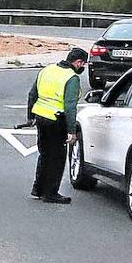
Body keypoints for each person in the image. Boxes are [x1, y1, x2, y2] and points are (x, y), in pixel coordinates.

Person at [27, 47, 88, 204]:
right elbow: (70, 106)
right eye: (83, 64)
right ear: (78, 62)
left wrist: (30, 117)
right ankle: (50, 193)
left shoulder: (47, 70)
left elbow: (32, 94)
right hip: (56, 120)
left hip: (41, 116)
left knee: (45, 154)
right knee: (57, 157)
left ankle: (38, 188)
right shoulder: (72, 78)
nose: (83, 68)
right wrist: (71, 131)